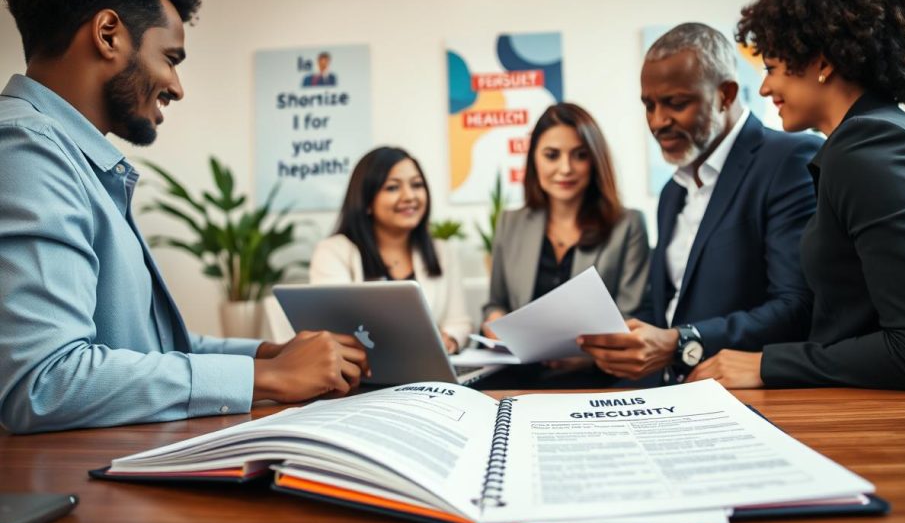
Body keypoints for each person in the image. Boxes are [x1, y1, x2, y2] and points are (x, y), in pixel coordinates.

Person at [0, 0, 368, 435]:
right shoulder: (26, 149)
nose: (176, 86)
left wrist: (264, 354)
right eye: (170, 58)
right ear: (108, 33)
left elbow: (146, 351)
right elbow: (46, 381)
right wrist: (269, 377)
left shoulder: (70, 157)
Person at [688, 0, 905, 389]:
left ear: (823, 62)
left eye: (771, 68)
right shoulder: (870, 138)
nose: (766, 88)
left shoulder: (873, 150)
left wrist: (764, 365)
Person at [578, 23, 820, 384]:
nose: (658, 121)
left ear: (726, 94)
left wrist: (681, 342)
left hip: (748, 395)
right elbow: (667, 306)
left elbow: (796, 307)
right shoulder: (671, 192)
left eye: (676, 103)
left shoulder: (788, 160)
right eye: (649, 105)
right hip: (668, 391)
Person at [482, 103, 650, 328]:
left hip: (596, 362)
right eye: (552, 156)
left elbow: (631, 317)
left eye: (580, 155)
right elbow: (495, 303)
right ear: (534, 159)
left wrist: (583, 353)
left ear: (595, 160)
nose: (565, 168)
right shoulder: (510, 223)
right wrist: (494, 321)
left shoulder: (628, 225)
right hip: (521, 362)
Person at [310, 147, 472, 353]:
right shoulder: (333, 252)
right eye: (393, 187)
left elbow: (459, 321)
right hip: (362, 376)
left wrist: (449, 339)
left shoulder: (442, 251)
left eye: (417, 185)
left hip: (429, 373)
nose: (409, 196)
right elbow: (334, 329)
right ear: (366, 201)